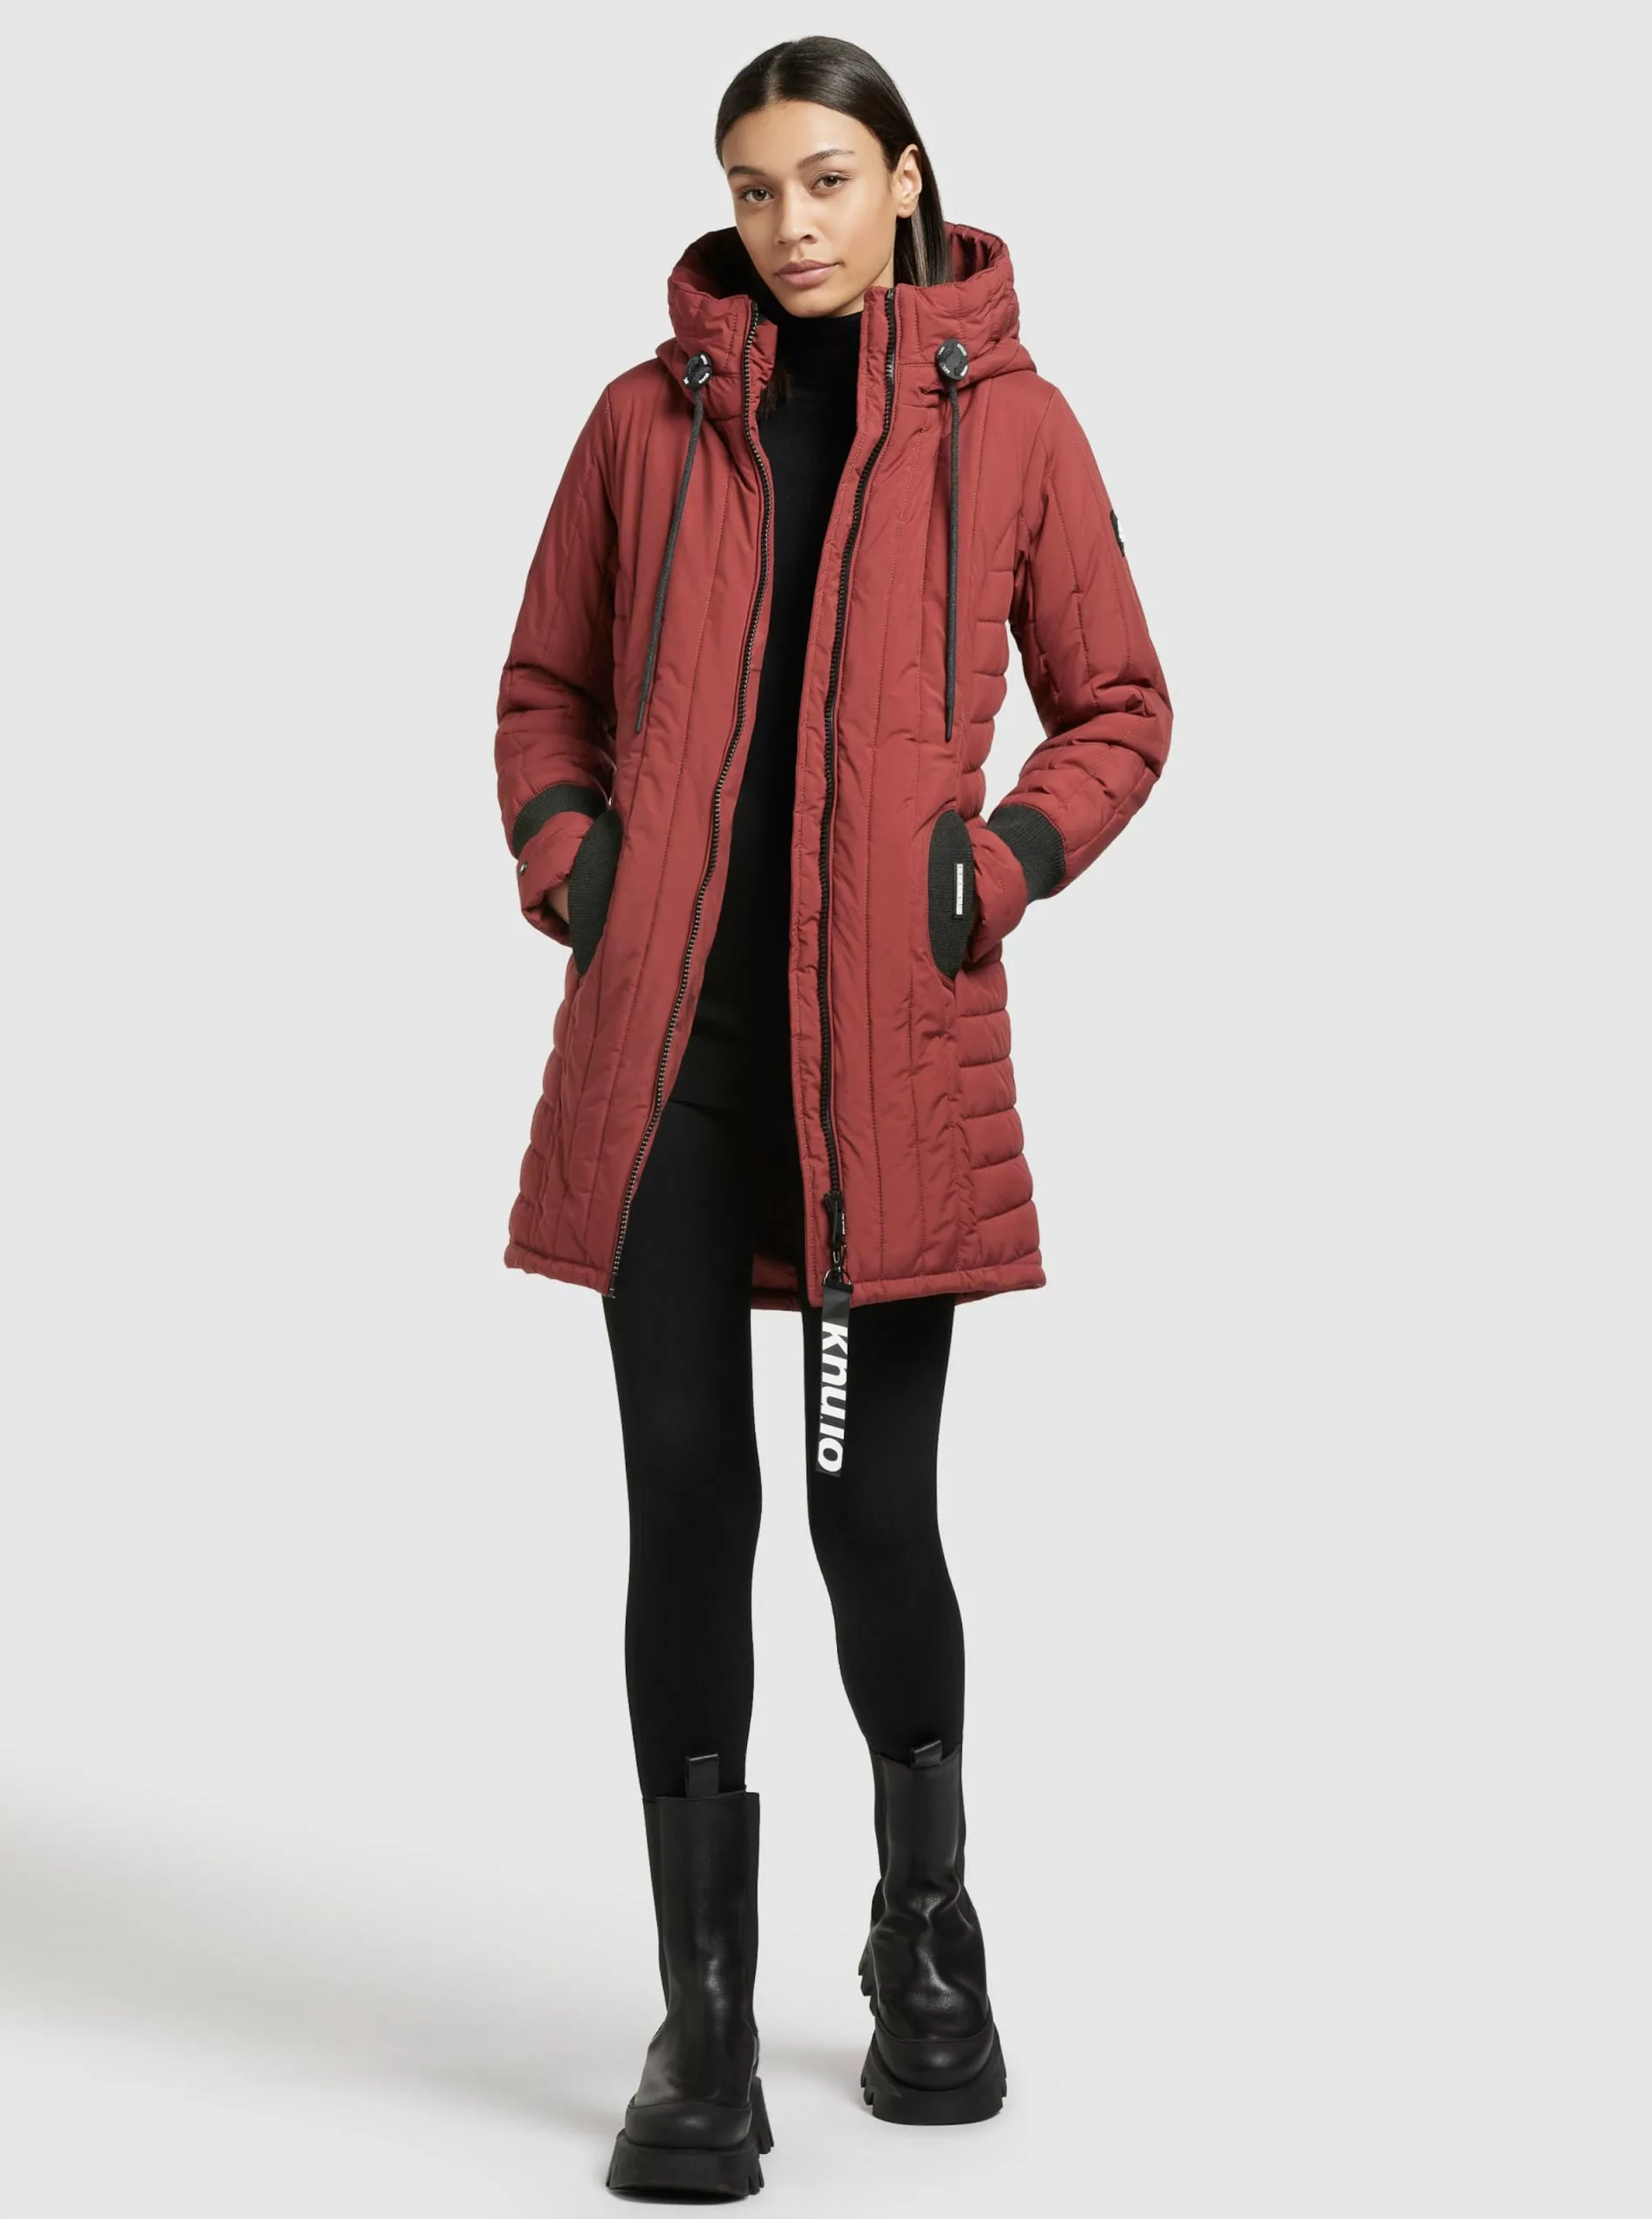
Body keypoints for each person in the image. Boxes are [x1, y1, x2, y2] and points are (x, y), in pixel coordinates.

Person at [491, 35, 1173, 2199]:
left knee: (869, 1509)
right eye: (752, 185)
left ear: (903, 179)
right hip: (671, 1066)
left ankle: (924, 1929)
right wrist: (573, 857)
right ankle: (703, 2009)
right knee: (686, 1504)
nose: (787, 222)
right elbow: (543, 687)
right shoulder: (645, 421)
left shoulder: (1014, 426)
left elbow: (1122, 704)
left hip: (881, 1071)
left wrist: (1001, 864)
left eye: (823, 178)